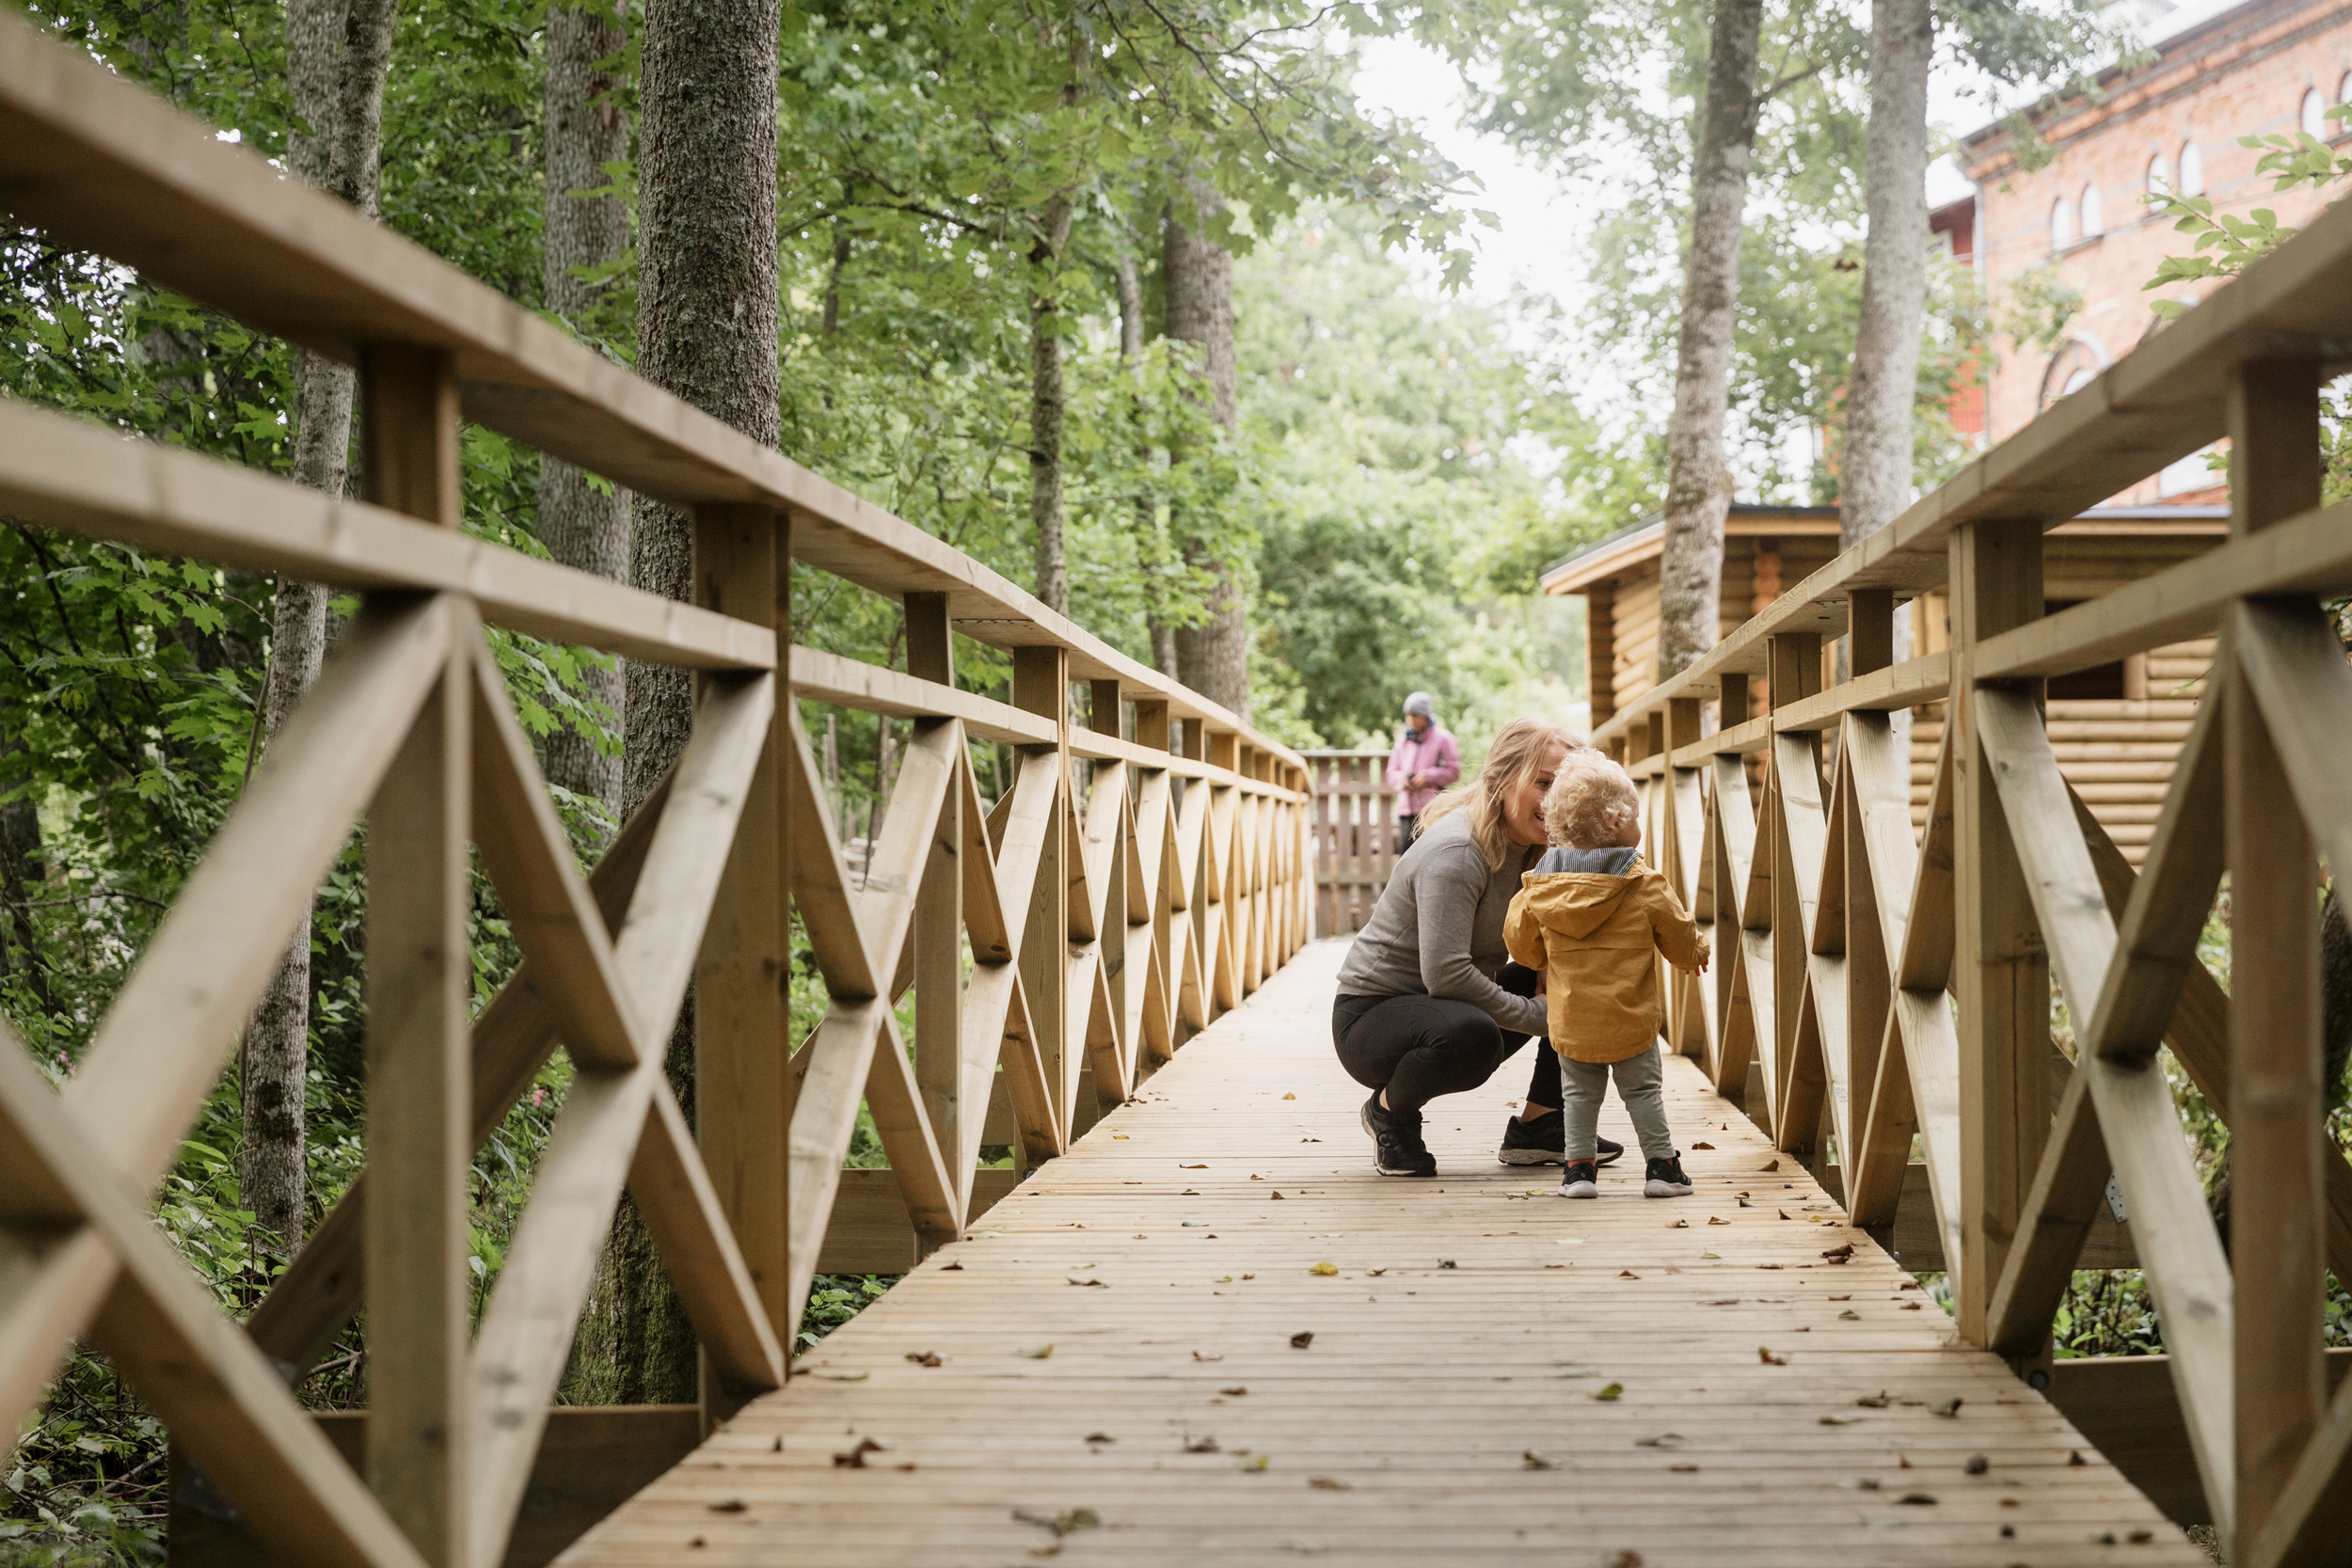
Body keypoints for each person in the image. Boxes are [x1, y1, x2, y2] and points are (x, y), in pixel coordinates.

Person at [1331, 718, 1621, 1177]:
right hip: (1372, 1019)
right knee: (1472, 1035)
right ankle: (1390, 1113)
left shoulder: (1540, 847)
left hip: (1445, 1004)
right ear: (1503, 779)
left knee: (1580, 973)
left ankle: (1542, 1124)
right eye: (1544, 783)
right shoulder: (1459, 852)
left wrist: (1561, 977)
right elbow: (1445, 975)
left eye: (1566, 787)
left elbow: (1556, 935)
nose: (1555, 801)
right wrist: (1541, 1017)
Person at [1504, 752, 1709, 1200]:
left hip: (1572, 1021)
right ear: (1619, 821)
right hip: (1631, 1020)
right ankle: (1662, 1169)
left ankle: (1578, 1172)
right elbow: (1677, 930)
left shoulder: (1538, 886)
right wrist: (1695, 952)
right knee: (1643, 1093)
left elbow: (1521, 945)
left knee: (1578, 1096)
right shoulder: (1642, 882)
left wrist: (1544, 957)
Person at [1385, 692, 1459, 854]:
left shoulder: (1444, 739)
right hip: (1405, 811)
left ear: (1426, 716)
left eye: (1415, 716)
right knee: (1405, 859)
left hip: (1431, 810)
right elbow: (1391, 772)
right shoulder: (1402, 741)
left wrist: (1427, 777)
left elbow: (1454, 771)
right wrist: (1402, 780)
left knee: (1430, 855)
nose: (1410, 720)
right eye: (1408, 715)